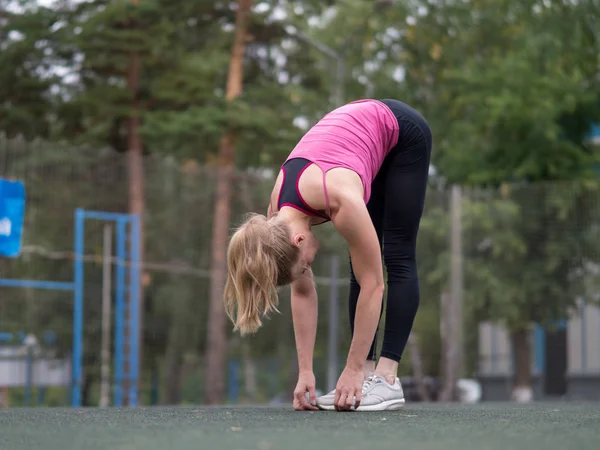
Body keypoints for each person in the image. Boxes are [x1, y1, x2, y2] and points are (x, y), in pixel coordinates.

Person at [224, 98, 432, 412]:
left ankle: (386, 379)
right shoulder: (274, 223)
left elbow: (374, 285)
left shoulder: (340, 199)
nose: (309, 266)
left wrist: (351, 368)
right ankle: (363, 375)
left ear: (298, 240)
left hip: (401, 132)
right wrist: (305, 371)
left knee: (394, 257)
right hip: (359, 142)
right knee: (358, 264)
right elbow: (303, 291)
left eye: (304, 263)